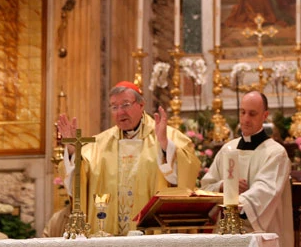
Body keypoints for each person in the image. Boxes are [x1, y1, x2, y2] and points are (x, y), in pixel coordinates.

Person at [199, 90, 294, 247]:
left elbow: (265, 190)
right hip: (225, 244)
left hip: (258, 241)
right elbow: (206, 185)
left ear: (264, 115)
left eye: (252, 113)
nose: (246, 119)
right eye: (242, 112)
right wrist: (223, 186)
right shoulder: (227, 149)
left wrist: (236, 204)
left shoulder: (275, 153)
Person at [56, 81, 200, 236]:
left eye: (125, 105)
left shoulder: (167, 136)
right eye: (114, 107)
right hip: (108, 238)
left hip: (154, 237)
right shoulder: (98, 144)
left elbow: (185, 179)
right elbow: (77, 184)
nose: (120, 112)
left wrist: (165, 146)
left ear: (141, 104)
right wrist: (72, 151)